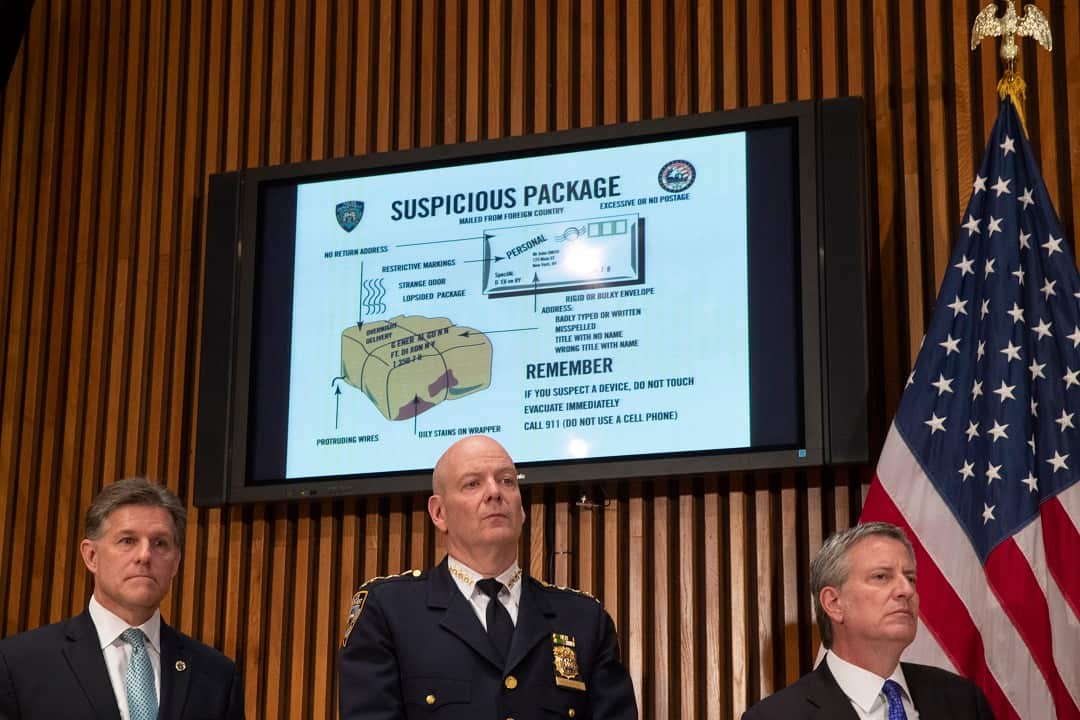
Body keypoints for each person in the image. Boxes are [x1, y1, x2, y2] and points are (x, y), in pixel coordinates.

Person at [339, 434, 638, 719]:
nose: (495, 492)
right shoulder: (390, 611)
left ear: (521, 510)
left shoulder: (584, 619)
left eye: (507, 481)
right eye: (472, 483)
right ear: (439, 513)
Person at [0, 478, 244, 719]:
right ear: (91, 556)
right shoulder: (18, 664)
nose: (145, 555)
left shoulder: (217, 676)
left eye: (160, 543)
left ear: (176, 563)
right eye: (128, 540)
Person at [743, 521, 993, 719]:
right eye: (881, 577)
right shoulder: (774, 717)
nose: (906, 590)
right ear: (834, 603)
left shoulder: (963, 701)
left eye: (910, 578)